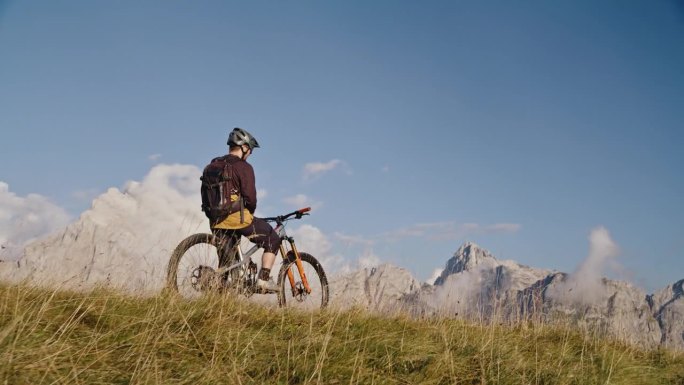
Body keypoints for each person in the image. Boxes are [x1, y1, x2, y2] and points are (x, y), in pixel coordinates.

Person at [210, 127, 281, 292]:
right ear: (244, 147)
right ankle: (263, 280)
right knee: (273, 239)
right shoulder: (244, 167)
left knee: (227, 263)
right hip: (237, 219)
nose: (249, 154)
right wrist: (249, 212)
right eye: (250, 151)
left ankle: (218, 296)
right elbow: (250, 198)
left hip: (215, 220)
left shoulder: (214, 163)